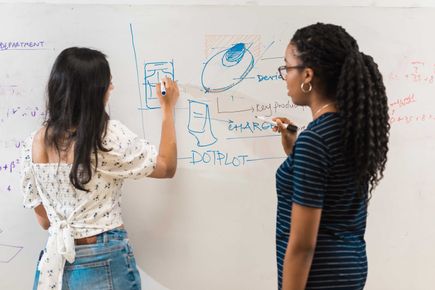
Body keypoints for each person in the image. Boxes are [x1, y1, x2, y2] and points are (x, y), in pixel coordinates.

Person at [20, 47, 179, 290]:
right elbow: (166, 167)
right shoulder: (104, 136)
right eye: (108, 83)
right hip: (103, 259)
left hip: (56, 265)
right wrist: (168, 108)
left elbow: (44, 221)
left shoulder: (34, 143)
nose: (111, 88)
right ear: (94, 92)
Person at [273, 23, 389, 290]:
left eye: (287, 68)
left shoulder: (315, 140)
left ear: (308, 75)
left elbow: (303, 245)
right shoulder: (350, 128)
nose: (284, 77)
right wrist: (294, 152)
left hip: (318, 276)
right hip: (348, 268)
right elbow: (333, 188)